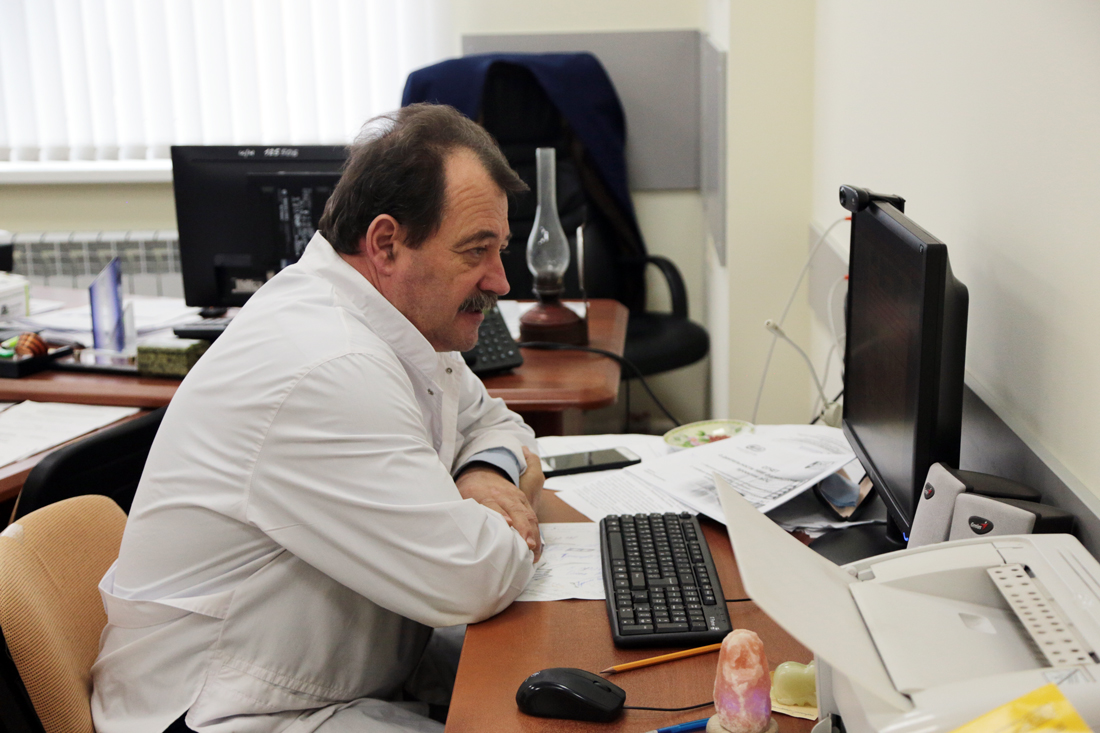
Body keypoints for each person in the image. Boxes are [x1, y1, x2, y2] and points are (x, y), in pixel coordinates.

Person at [91, 104, 545, 733]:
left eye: (500, 249)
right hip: (227, 710)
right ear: (386, 244)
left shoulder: (393, 324)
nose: (500, 280)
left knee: (550, 670)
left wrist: (486, 477)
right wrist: (509, 508)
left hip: (327, 668)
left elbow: (497, 424)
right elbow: (475, 577)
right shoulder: (330, 363)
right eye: (476, 251)